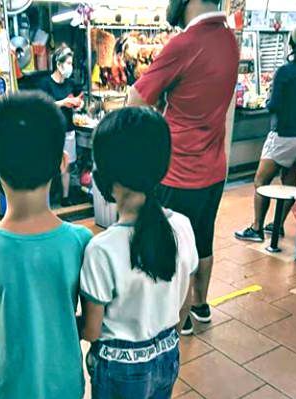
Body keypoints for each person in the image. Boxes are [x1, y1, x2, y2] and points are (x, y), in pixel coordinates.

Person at [0, 92, 92, 399]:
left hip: (5, 387)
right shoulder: (80, 241)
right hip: (60, 383)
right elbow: (88, 321)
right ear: (63, 162)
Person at [127, 0, 238, 334]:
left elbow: (135, 101)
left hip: (179, 171)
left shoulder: (185, 43)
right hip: (215, 168)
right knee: (202, 239)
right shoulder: (228, 40)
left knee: (171, 247)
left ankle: (179, 316)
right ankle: (201, 305)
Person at [81, 107, 198, 399]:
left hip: (121, 368)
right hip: (168, 354)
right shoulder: (183, 226)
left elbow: (93, 330)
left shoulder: (102, 248)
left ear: (105, 178)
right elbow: (186, 298)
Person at [235, 20, 296, 242]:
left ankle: (256, 228)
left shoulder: (285, 71)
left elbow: (273, 105)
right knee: (289, 181)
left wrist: (269, 96)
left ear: (292, 41)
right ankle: (278, 226)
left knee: (260, 181)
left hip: (283, 135)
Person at [38, 46, 82, 207]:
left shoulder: (70, 83)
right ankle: (46, 201)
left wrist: (77, 104)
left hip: (68, 130)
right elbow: (44, 106)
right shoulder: (45, 83)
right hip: (51, 131)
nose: (70, 67)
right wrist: (63, 102)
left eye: (71, 63)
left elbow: (76, 101)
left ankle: (65, 198)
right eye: (68, 63)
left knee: (67, 165)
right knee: (50, 165)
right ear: (59, 64)